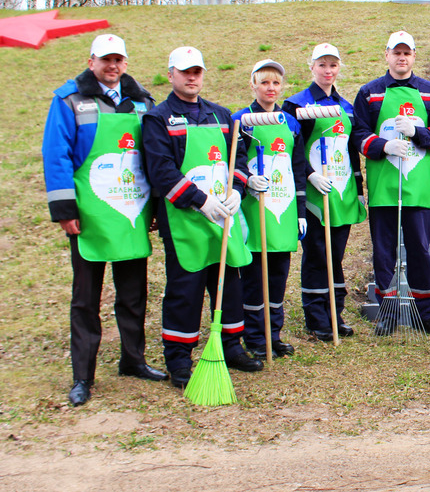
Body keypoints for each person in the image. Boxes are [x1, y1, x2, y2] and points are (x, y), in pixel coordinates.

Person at [42, 34, 167, 406]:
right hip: (91, 214)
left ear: (126, 63)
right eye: (105, 60)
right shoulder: (69, 99)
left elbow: (155, 155)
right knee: (86, 297)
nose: (112, 67)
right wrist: (65, 210)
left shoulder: (144, 102)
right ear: (92, 60)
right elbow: (56, 154)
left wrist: (156, 207)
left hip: (131, 209)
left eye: (119, 61)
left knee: (133, 292)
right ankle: (83, 375)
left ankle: (134, 359)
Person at [143, 46, 262, 389]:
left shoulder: (221, 115)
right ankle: (179, 358)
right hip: (186, 220)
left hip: (223, 217)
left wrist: (238, 189)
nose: (192, 77)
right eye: (185, 71)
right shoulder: (158, 118)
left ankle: (230, 346)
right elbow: (161, 171)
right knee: (186, 289)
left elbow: (238, 159)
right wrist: (200, 201)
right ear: (171, 75)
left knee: (229, 284)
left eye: (197, 71)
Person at [351, 31, 430, 335]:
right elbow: (358, 133)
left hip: (418, 188)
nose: (402, 58)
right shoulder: (369, 93)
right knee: (384, 253)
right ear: (387, 55)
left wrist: (417, 133)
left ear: (414, 56)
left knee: (420, 250)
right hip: (384, 188)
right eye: (396, 52)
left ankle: (426, 312)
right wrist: (382, 146)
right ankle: (388, 312)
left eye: (407, 52)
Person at [282, 43, 367, 342]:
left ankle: (335, 314)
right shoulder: (296, 105)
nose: (328, 70)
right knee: (317, 255)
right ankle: (317, 319)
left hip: (340, 191)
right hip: (315, 195)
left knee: (336, 256)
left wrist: (357, 188)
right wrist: (309, 175)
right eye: (322, 65)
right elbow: (291, 151)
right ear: (311, 67)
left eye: (333, 65)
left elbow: (351, 150)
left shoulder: (346, 106)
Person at [233, 60, 309, 358]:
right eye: (264, 83)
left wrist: (301, 211)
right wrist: (247, 178)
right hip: (254, 208)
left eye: (276, 83)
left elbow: (298, 168)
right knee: (255, 278)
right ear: (253, 85)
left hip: (284, 206)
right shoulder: (240, 120)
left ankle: (273, 333)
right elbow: (234, 161)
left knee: (278, 275)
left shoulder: (289, 122)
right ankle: (254, 337)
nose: (270, 88)